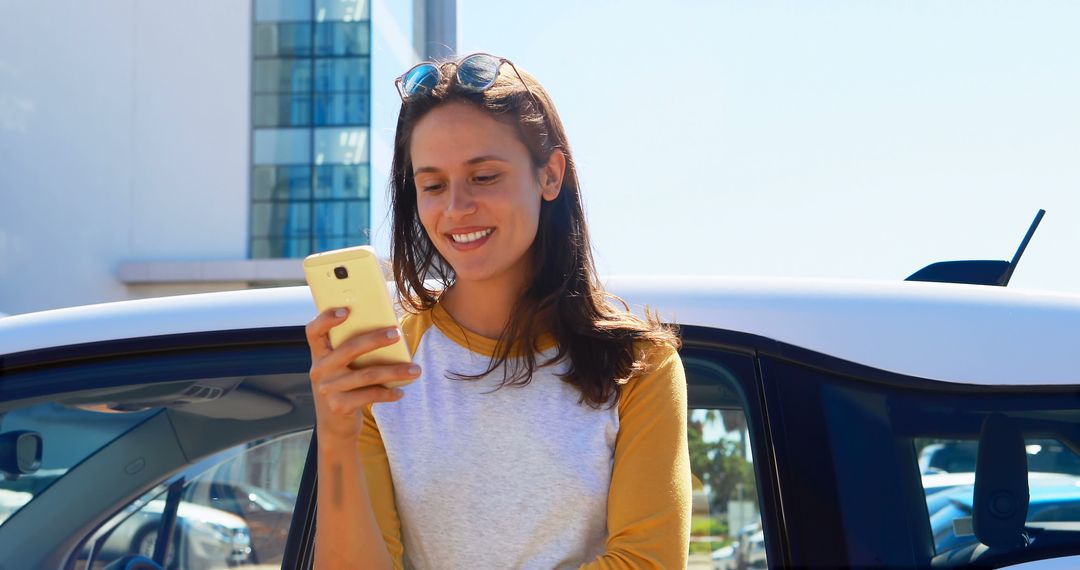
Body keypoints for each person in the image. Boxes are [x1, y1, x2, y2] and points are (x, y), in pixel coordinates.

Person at [305, 53, 690, 569]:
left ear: (550, 176)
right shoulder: (386, 366)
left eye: (484, 176)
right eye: (433, 185)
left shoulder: (640, 366)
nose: (456, 208)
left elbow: (646, 563)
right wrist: (335, 441)